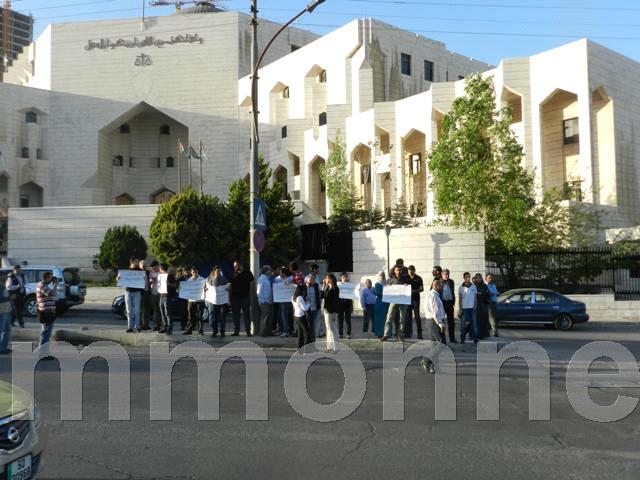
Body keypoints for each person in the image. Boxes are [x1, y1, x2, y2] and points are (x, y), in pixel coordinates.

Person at [421, 280, 447, 374]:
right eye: (441, 285)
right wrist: (440, 324)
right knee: (441, 343)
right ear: (436, 286)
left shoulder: (434, 295)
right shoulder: (433, 296)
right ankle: (426, 360)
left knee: (434, 345)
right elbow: (435, 312)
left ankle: (434, 366)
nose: (443, 287)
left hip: (432, 321)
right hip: (434, 322)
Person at [382, 264, 409, 341]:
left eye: (399, 270)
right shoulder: (391, 280)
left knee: (402, 319)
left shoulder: (406, 279)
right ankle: (386, 335)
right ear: (394, 271)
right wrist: (388, 286)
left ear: (401, 270)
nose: (398, 271)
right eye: (397, 270)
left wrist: (407, 286)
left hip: (403, 301)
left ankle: (400, 336)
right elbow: (385, 287)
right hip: (393, 301)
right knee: (389, 318)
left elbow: (410, 289)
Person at [229, 261, 255, 336]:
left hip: (245, 297)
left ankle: (248, 331)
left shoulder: (247, 272)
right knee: (235, 315)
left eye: (236, 266)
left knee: (246, 315)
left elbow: (252, 282)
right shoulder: (233, 273)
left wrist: (251, 294)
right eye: (234, 266)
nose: (234, 267)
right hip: (234, 298)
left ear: (240, 265)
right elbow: (229, 284)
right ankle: (236, 331)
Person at [36, 271, 58, 358]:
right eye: (51, 277)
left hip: (48, 312)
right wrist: (55, 284)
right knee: (45, 334)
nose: (51, 279)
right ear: (47, 278)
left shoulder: (44, 286)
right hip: (46, 312)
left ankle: (44, 353)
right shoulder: (42, 286)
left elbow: (53, 294)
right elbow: (52, 293)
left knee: (46, 333)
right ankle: (42, 354)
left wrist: (54, 285)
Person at [119, 258, 142, 333]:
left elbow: (143, 280)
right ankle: (130, 327)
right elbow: (119, 279)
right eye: (136, 261)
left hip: (137, 292)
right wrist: (118, 278)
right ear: (132, 262)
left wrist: (144, 279)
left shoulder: (140, 271)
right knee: (129, 311)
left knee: (137, 310)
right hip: (128, 292)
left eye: (138, 261)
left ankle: (137, 327)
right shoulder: (126, 271)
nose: (138, 262)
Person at [205, 265, 228, 337]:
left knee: (222, 316)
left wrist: (228, 288)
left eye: (219, 271)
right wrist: (206, 289)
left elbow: (227, 287)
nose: (219, 272)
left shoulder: (223, 279)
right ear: (214, 271)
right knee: (212, 316)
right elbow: (206, 288)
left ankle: (222, 331)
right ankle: (214, 331)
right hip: (212, 301)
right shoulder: (210, 279)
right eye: (217, 271)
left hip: (222, 301)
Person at [321, 274, 340, 353]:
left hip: (332, 311)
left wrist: (335, 312)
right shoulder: (327, 287)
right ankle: (329, 347)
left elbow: (336, 301)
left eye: (327, 278)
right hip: (326, 310)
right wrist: (323, 286)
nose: (325, 279)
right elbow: (322, 296)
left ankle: (336, 348)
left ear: (331, 279)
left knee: (333, 329)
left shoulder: (335, 288)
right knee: (328, 329)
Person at [183, 266, 205, 335]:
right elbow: (186, 290)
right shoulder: (189, 280)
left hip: (200, 300)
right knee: (190, 316)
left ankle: (200, 330)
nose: (194, 273)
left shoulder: (202, 279)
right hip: (191, 301)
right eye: (193, 272)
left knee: (200, 316)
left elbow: (205, 288)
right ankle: (189, 330)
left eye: (195, 271)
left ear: (197, 271)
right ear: (191, 272)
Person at [405, 265, 424, 339]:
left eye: (411, 271)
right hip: (407, 299)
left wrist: (414, 291)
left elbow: (422, 289)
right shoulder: (406, 278)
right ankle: (408, 333)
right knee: (408, 317)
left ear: (414, 270)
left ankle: (419, 334)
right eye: (409, 271)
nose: (410, 273)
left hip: (415, 299)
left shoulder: (418, 278)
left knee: (417, 317)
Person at [458, 272, 478, 344]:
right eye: (467, 277)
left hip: (472, 308)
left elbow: (475, 297)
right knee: (463, 325)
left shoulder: (474, 286)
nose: (468, 278)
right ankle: (462, 339)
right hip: (464, 309)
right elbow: (460, 299)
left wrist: (475, 306)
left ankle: (475, 338)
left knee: (474, 324)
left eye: (469, 277)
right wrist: (460, 309)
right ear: (464, 278)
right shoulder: (461, 288)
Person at [292, 283, 312, 351]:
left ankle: (299, 348)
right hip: (301, 316)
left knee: (300, 332)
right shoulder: (299, 297)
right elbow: (305, 308)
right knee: (306, 333)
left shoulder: (293, 297)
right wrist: (309, 302)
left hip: (296, 316)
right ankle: (306, 350)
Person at [273, 267, 292, 338]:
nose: (280, 274)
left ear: (284, 273)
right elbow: (275, 288)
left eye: (281, 273)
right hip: (279, 300)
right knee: (280, 316)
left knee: (285, 316)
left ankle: (286, 331)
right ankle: (282, 329)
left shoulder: (290, 278)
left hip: (287, 300)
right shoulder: (277, 279)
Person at [158, 264, 176, 334]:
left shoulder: (170, 275)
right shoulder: (160, 276)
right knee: (162, 312)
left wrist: (168, 284)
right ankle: (165, 326)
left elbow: (175, 285)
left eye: (159, 268)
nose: (159, 270)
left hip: (168, 296)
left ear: (161, 268)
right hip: (161, 296)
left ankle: (169, 328)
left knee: (167, 313)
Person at [257, 265, 273, 337]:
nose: (270, 271)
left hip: (269, 301)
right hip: (264, 302)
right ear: (266, 271)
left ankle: (269, 331)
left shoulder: (267, 278)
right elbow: (259, 291)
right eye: (269, 270)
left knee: (269, 317)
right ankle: (263, 332)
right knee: (265, 317)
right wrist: (262, 301)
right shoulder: (261, 279)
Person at [474, 273, 491, 339]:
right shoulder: (473, 286)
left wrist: (480, 294)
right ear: (475, 278)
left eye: (479, 277)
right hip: (476, 304)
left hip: (483, 304)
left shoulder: (484, 286)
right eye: (477, 278)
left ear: (481, 278)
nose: (478, 279)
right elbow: (474, 295)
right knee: (477, 320)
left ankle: (484, 334)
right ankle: (476, 334)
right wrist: (481, 294)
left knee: (484, 319)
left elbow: (487, 293)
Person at [441, 268, 456, 343]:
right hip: (442, 304)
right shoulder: (439, 282)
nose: (447, 276)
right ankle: (443, 339)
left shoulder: (451, 281)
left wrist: (453, 302)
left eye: (448, 274)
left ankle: (452, 338)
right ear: (442, 275)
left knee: (451, 322)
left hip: (450, 303)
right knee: (442, 322)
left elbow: (452, 292)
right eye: (446, 274)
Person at [305, 274, 322, 339]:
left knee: (314, 321)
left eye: (313, 280)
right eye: (311, 280)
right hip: (307, 307)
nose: (312, 282)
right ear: (307, 280)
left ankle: (314, 334)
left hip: (315, 306)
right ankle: (308, 334)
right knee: (308, 321)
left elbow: (318, 294)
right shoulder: (304, 286)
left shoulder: (316, 285)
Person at [373, 271, 389, 338]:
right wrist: (387, 293)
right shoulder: (377, 284)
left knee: (386, 318)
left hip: (386, 303)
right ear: (378, 276)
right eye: (380, 275)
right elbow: (378, 293)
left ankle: (386, 333)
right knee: (379, 319)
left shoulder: (387, 284)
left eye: (383, 275)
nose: (382, 276)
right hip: (379, 303)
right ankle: (379, 334)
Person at [338, 272, 353, 339]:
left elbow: (352, 295)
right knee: (340, 320)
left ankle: (348, 334)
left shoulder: (350, 285)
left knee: (348, 320)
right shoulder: (338, 285)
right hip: (340, 304)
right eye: (343, 277)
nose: (345, 278)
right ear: (341, 278)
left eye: (346, 277)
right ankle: (340, 334)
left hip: (348, 304)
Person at [0, 271, 12, 354]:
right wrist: (9, 298)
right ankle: (1, 349)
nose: (7, 277)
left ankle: (3, 348)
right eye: (5, 276)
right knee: (2, 330)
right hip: (2, 311)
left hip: (6, 310)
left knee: (7, 330)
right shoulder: (1, 286)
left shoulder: (3, 285)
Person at [486, 273, 500, 337]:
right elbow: (486, 294)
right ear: (486, 278)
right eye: (489, 278)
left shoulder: (494, 285)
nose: (491, 279)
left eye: (491, 278)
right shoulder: (485, 285)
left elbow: (496, 292)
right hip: (489, 303)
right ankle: (495, 332)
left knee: (494, 317)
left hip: (494, 302)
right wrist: (490, 294)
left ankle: (489, 332)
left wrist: (497, 293)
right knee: (492, 318)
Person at [139, 260, 152, 331]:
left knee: (147, 310)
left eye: (145, 265)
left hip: (148, 292)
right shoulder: (138, 273)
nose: (144, 267)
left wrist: (151, 282)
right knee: (141, 310)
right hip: (141, 293)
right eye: (143, 266)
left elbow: (150, 281)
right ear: (140, 266)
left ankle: (146, 325)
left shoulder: (148, 272)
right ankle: (140, 325)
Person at [149, 260, 162, 331]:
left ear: (157, 266)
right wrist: (151, 281)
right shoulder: (151, 273)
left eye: (154, 267)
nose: (153, 268)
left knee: (161, 310)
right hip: (154, 293)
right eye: (152, 267)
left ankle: (161, 325)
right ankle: (156, 325)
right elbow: (149, 281)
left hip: (161, 293)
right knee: (156, 310)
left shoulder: (161, 272)